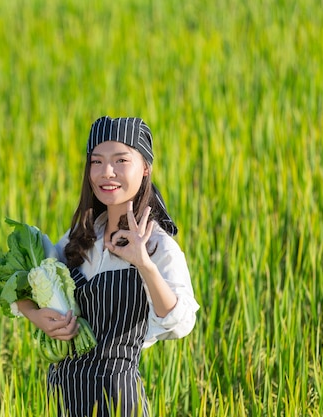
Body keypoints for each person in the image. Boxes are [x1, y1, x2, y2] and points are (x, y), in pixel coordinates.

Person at [15, 116, 200, 416]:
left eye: (121, 160)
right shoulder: (81, 237)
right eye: (97, 161)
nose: (106, 173)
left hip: (117, 400)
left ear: (145, 169)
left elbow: (181, 323)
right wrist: (34, 314)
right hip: (61, 396)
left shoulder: (158, 246)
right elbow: (26, 280)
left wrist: (144, 264)